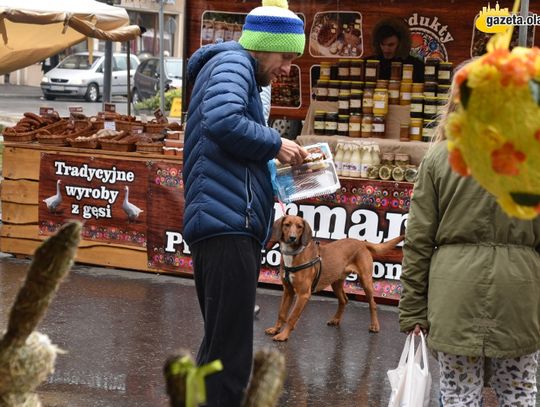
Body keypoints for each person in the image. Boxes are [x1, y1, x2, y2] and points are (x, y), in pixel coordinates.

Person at [182, 0, 308, 405]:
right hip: (226, 225)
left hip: (225, 220)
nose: (287, 68)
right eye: (286, 56)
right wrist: (276, 144)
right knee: (230, 354)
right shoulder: (234, 64)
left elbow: (225, 132)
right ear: (263, 45)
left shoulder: (234, 67)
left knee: (220, 347)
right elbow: (222, 121)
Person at [398, 67, 540, 406]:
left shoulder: (438, 157)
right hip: (519, 294)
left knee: (459, 393)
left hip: (453, 293)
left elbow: (418, 240)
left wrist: (413, 308)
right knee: (519, 392)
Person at [368, 17, 424, 82]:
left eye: (391, 45)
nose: (386, 50)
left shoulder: (416, 66)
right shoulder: (369, 64)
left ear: (401, 44)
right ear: (377, 43)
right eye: (382, 44)